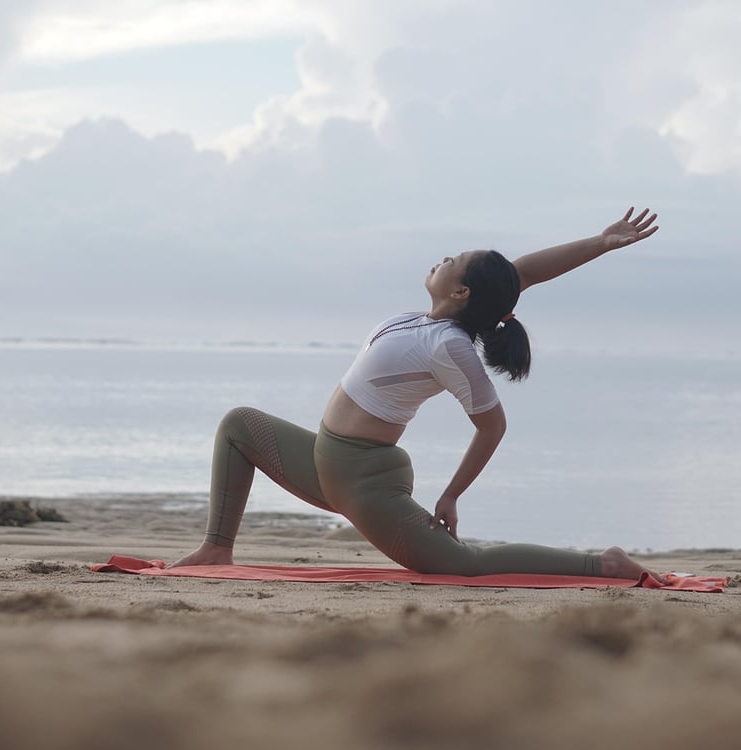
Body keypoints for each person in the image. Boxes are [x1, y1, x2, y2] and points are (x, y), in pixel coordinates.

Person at [171, 207, 660, 579]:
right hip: (325, 457)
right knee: (238, 425)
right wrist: (600, 242)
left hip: (362, 481)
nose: (444, 258)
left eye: (454, 260)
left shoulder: (449, 346)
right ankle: (217, 547)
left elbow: (493, 426)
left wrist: (450, 495)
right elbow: (523, 273)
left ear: (462, 292)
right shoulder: (421, 320)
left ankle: (603, 565)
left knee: (463, 566)